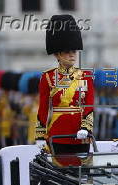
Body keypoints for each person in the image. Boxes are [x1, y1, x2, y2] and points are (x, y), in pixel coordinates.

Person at [37, 14, 94, 154]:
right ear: (57, 54)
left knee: (82, 173)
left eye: (74, 51)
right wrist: (39, 135)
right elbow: (43, 109)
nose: (72, 55)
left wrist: (86, 128)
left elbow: (89, 105)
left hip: (81, 133)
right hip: (57, 133)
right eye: (67, 52)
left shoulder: (86, 76)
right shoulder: (47, 77)